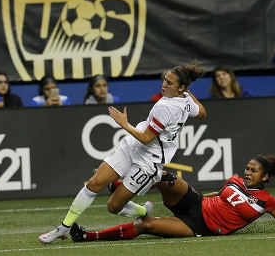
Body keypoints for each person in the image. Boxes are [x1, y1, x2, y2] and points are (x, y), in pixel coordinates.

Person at [39, 61, 207, 243]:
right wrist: (187, 94)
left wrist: (124, 124)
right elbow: (202, 113)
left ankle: (143, 211)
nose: (164, 84)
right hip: (132, 146)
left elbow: (146, 138)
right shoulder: (184, 99)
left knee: (114, 206)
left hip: (149, 161)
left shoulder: (165, 107)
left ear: (180, 87)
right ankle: (62, 228)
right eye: (165, 80)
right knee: (94, 184)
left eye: (170, 83)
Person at [69, 155, 275, 242]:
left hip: (201, 227)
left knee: (144, 226)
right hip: (195, 203)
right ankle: (116, 183)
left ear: (265, 177)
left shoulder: (268, 201)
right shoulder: (234, 181)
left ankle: (87, 236)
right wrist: (193, 197)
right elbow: (217, 195)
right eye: (248, 168)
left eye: (254, 170)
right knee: (164, 178)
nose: (247, 172)